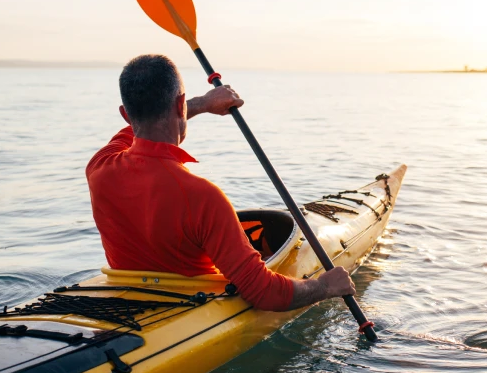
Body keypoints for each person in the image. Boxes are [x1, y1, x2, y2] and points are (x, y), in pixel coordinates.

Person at [86, 54, 354, 311]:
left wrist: (201, 104)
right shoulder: (201, 197)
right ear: (180, 105)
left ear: (125, 114)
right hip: (191, 309)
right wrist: (324, 287)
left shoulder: (99, 167)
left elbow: (129, 135)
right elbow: (264, 292)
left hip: (128, 301)